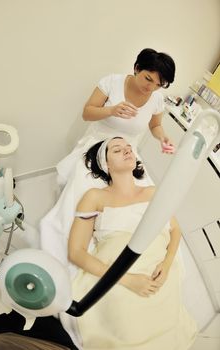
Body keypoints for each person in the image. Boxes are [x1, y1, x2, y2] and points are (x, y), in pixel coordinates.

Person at [40, 48, 176, 269]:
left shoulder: (157, 100)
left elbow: (156, 125)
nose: (150, 87)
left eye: (158, 85)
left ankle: (132, 244)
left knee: (142, 197)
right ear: (136, 68)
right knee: (85, 189)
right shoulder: (111, 82)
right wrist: (111, 110)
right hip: (97, 145)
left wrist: (162, 137)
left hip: (128, 151)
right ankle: (78, 240)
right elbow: (87, 112)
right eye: (148, 78)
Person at [67, 137, 197, 350]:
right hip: (117, 271)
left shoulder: (153, 193)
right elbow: (76, 252)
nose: (127, 151)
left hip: (157, 270)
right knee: (124, 322)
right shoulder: (94, 197)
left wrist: (166, 264)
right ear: (106, 164)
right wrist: (127, 280)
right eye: (117, 150)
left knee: (166, 322)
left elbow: (175, 230)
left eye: (129, 148)